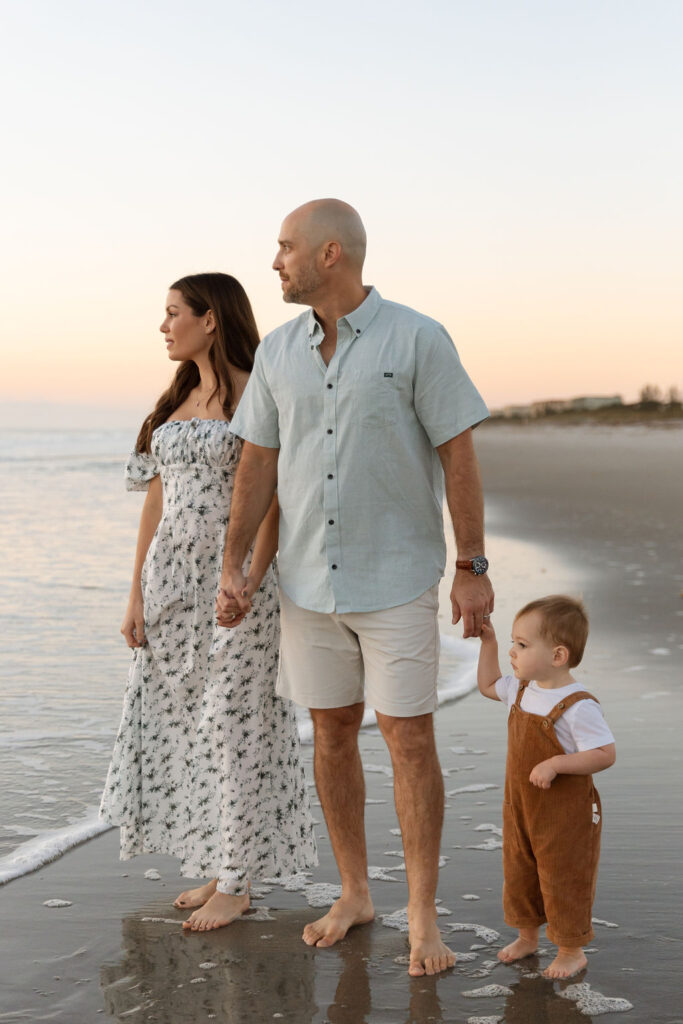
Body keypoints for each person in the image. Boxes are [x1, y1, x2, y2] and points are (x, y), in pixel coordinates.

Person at [218, 199, 493, 977]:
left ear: (329, 253)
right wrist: (235, 567)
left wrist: (471, 567)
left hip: (397, 577)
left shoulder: (417, 337)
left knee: (409, 739)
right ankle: (353, 892)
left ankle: (422, 915)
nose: (274, 262)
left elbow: (459, 457)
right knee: (332, 730)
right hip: (306, 582)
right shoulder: (277, 354)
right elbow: (256, 468)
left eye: (284, 249)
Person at [100, 273, 317, 932]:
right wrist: (135, 592)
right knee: (189, 727)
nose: (164, 326)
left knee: (234, 725)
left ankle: (236, 882)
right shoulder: (176, 399)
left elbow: (272, 497)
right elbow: (155, 505)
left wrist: (251, 577)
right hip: (171, 586)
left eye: (173, 313)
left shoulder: (259, 393)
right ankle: (221, 863)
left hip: (234, 589)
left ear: (211, 318)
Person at [477, 595, 616, 979]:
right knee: (520, 871)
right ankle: (527, 936)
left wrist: (557, 763)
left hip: (564, 816)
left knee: (562, 876)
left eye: (522, 645)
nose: (512, 652)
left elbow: (605, 753)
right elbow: (488, 684)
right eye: (512, 642)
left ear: (557, 656)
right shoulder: (521, 689)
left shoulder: (577, 704)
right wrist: (488, 643)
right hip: (521, 807)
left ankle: (571, 951)